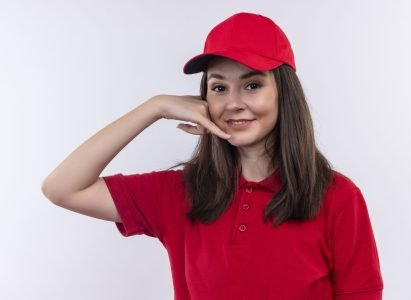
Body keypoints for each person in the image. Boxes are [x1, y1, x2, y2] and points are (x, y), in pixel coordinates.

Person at [41, 12, 384, 300]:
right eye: (219, 87)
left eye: (252, 85)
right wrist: (155, 107)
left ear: (284, 93)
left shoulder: (337, 197)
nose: (233, 103)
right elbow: (63, 188)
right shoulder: (179, 192)